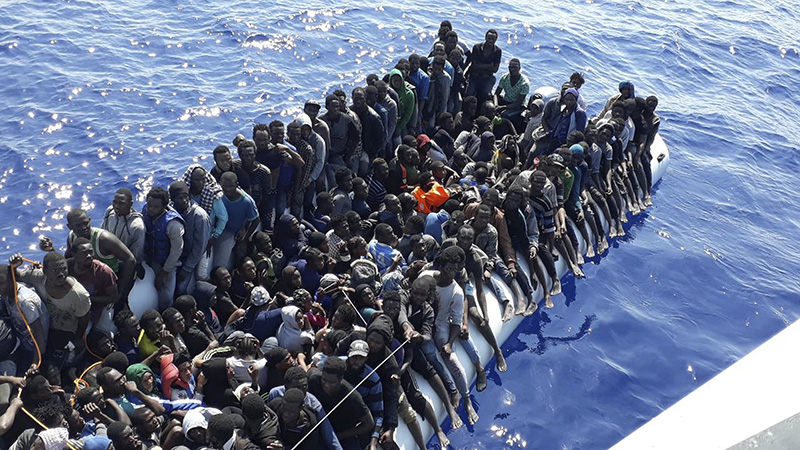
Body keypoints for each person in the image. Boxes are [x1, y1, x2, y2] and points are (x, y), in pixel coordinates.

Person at [43, 208, 136, 308]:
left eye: (85, 223)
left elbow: (130, 260)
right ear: (69, 227)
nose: (83, 228)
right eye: (78, 225)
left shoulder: (104, 239)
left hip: (107, 282)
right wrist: (52, 251)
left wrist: (121, 292)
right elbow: (68, 261)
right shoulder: (72, 237)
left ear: (90, 220)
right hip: (87, 279)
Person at [10, 252, 90, 365]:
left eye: (64, 269)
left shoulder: (79, 295)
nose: (61, 274)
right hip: (46, 326)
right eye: (54, 270)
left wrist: (76, 340)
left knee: (53, 364)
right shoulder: (37, 277)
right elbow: (16, 275)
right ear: (44, 271)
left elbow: (84, 319)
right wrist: (14, 266)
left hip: (67, 331)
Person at [308, 356, 374, 450]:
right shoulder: (313, 380)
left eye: (332, 382)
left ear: (341, 379)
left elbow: (369, 424)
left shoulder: (352, 397)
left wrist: (339, 436)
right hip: (318, 429)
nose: (326, 385)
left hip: (342, 435)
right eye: (324, 380)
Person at [0, 264, 49, 372]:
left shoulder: (25, 302)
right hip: (21, 340)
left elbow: (39, 334)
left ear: (12, 280)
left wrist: (35, 362)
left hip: (34, 348)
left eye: (1, 283)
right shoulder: (6, 293)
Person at [142, 187, 185, 310]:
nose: (150, 209)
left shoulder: (173, 225)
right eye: (149, 205)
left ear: (164, 207)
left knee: (165, 296)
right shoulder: (145, 211)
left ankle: (167, 311)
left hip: (168, 262)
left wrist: (164, 272)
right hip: (152, 257)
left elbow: (176, 250)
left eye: (155, 207)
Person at [67, 237, 118, 333]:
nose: (89, 256)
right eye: (84, 253)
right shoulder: (67, 266)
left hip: (97, 308)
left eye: (90, 252)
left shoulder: (104, 272)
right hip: (72, 307)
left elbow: (113, 297)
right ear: (74, 255)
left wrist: (88, 299)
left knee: (94, 332)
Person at [169, 181, 211, 296]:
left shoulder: (199, 216)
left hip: (196, 254)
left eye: (186, 197)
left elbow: (199, 247)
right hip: (180, 255)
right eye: (179, 198)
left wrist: (186, 269)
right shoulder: (171, 211)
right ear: (173, 199)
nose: (184, 200)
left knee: (181, 289)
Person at [218, 172, 260, 271]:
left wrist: (244, 238)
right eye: (225, 186)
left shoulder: (247, 201)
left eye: (231, 186)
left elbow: (256, 220)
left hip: (236, 233)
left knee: (237, 258)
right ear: (220, 184)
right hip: (223, 229)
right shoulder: (219, 195)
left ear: (237, 185)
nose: (228, 189)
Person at [100, 188, 145, 265]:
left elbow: (135, 256)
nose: (116, 206)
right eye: (114, 202)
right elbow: (102, 233)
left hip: (123, 262)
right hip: (107, 257)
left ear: (130, 204)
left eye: (121, 203)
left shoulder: (137, 226)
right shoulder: (110, 211)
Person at [465, 29, 501, 104]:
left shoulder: (497, 51)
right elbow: (474, 66)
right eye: (489, 38)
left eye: (493, 39)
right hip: (474, 76)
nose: (490, 41)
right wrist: (489, 66)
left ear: (496, 40)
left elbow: (495, 69)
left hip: (487, 77)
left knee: (486, 94)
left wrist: (481, 66)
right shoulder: (477, 48)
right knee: (469, 93)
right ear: (485, 37)